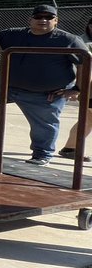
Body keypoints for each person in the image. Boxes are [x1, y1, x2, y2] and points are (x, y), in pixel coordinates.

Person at [0, 3, 89, 165]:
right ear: (30, 20)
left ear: (56, 21)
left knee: (44, 126)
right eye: (38, 17)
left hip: (45, 94)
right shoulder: (16, 34)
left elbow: (85, 64)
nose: (43, 20)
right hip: (6, 86)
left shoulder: (69, 40)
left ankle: (42, 155)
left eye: (49, 17)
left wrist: (77, 89)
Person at [59, 16, 92, 160]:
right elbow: (77, 68)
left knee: (87, 120)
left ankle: (70, 148)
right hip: (90, 88)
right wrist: (77, 88)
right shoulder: (82, 43)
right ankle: (70, 149)